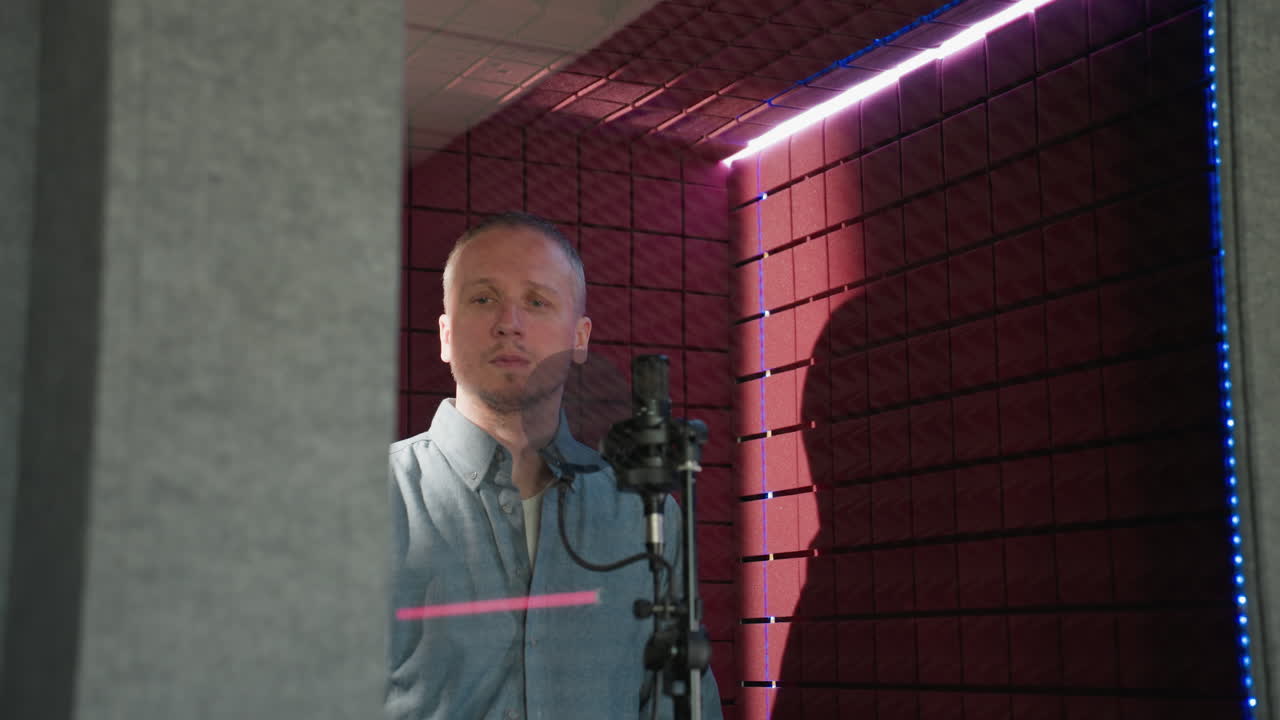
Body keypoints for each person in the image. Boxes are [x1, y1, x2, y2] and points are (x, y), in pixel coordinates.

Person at [385, 212, 722, 720]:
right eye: (483, 298)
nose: (509, 322)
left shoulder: (646, 519)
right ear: (445, 334)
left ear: (580, 337)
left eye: (537, 301)